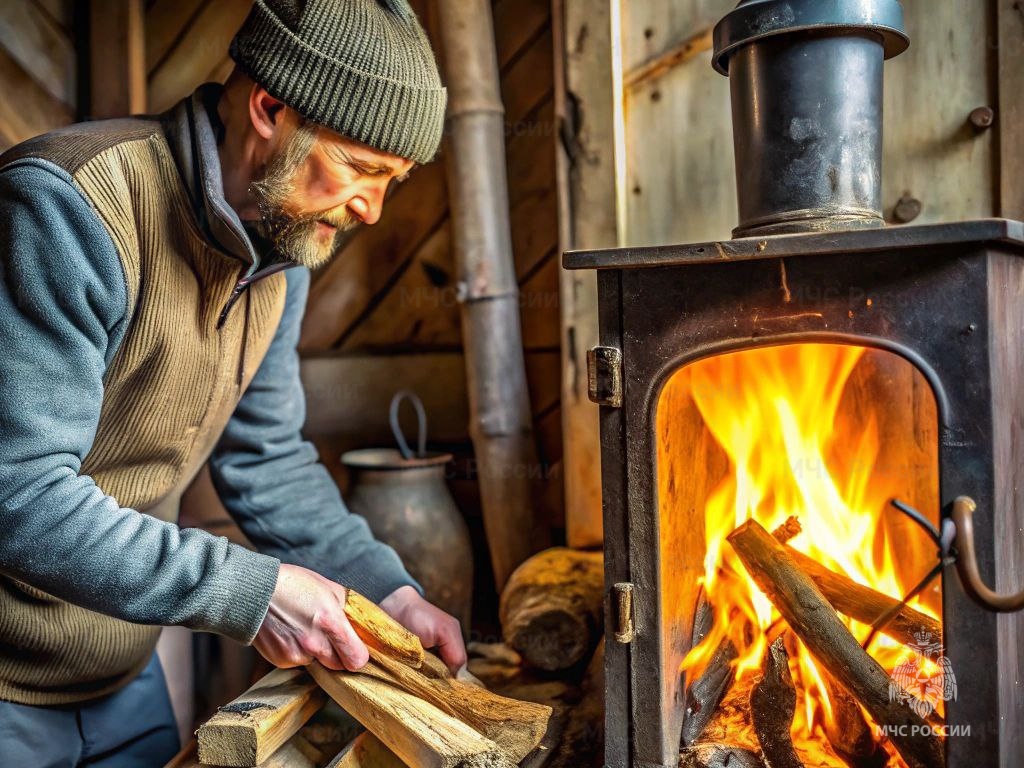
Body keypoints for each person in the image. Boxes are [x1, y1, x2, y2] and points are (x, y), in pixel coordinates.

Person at [0, 1, 462, 764]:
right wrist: (254, 593)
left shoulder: (285, 238)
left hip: (120, 672)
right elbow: (19, 493)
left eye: (395, 181)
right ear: (270, 108)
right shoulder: (66, 206)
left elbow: (268, 459)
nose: (373, 211)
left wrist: (389, 592)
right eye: (361, 169)